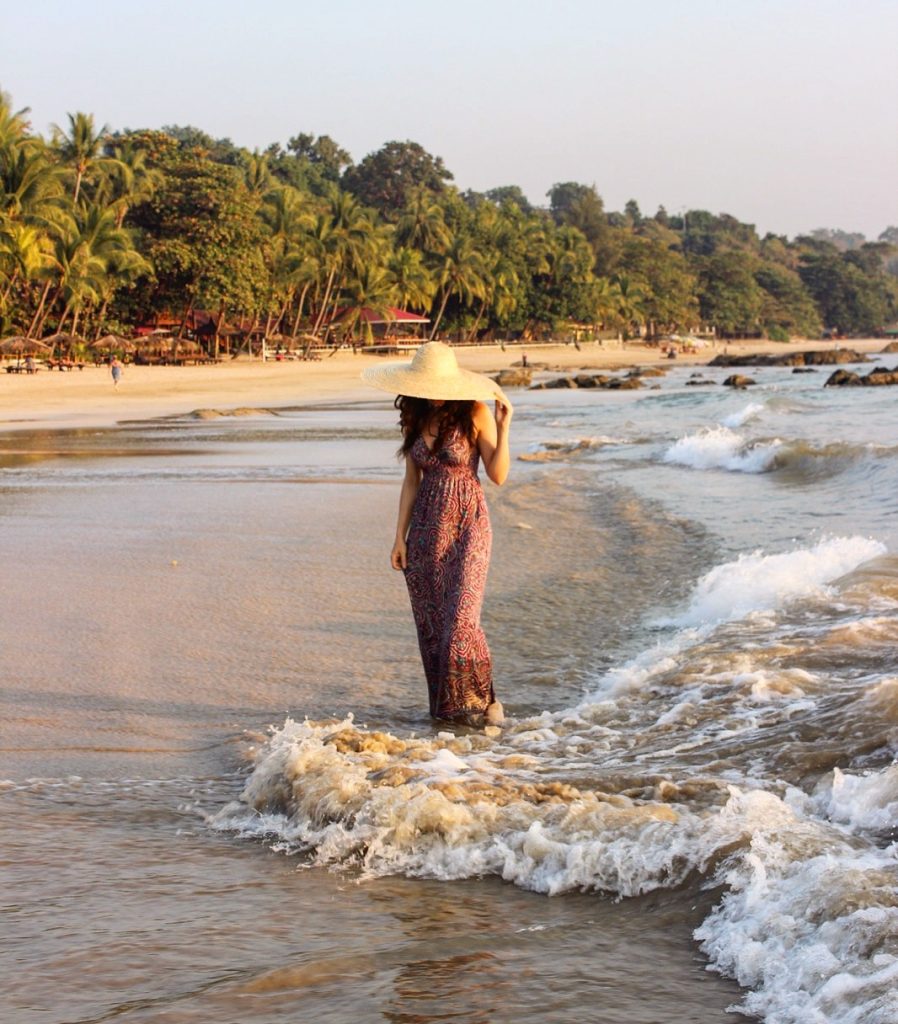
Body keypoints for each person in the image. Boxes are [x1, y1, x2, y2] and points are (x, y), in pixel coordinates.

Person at [362, 342, 513, 726]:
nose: (432, 390)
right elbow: (411, 480)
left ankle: (484, 703)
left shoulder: (476, 412)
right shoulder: (416, 415)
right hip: (426, 532)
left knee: (462, 620)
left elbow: (497, 475)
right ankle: (451, 716)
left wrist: (505, 425)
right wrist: (400, 537)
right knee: (432, 626)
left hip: (469, 525)